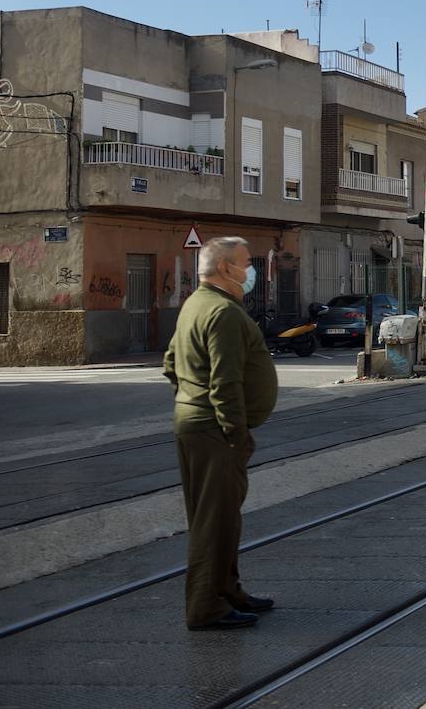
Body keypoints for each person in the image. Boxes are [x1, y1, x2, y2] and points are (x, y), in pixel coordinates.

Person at [163, 236, 279, 631]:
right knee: (213, 520)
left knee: (223, 517)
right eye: (247, 264)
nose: (251, 272)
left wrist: (188, 400)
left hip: (197, 424)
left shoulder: (195, 305)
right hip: (215, 430)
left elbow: (170, 363)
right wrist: (235, 434)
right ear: (226, 268)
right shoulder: (223, 313)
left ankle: (227, 590)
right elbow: (224, 382)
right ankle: (204, 606)